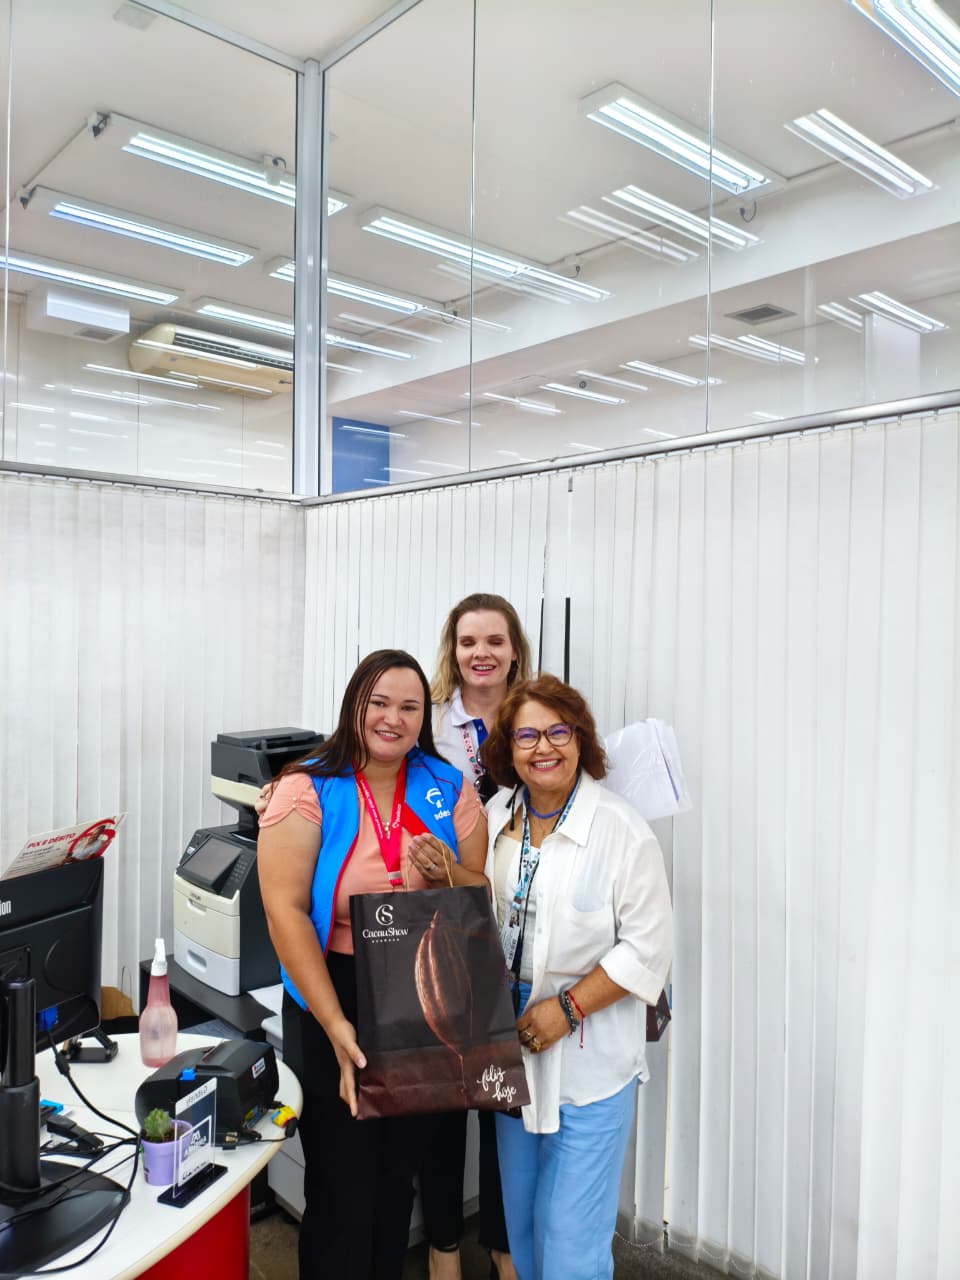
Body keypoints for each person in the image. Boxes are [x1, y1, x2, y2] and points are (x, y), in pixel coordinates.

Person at [256, 649, 488, 1280]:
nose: (393, 718)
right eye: (379, 703)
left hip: (421, 994)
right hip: (333, 992)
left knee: (396, 1177)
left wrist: (448, 871)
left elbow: (478, 894)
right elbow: (284, 912)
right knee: (341, 1183)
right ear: (353, 704)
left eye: (409, 707)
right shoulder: (306, 788)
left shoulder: (447, 786)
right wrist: (336, 1026)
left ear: (422, 720)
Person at [479, 674, 673, 1280]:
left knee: (571, 1245)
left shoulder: (621, 830)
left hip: (589, 1056)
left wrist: (566, 1010)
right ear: (508, 749)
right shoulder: (495, 816)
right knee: (523, 1228)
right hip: (509, 1050)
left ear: (580, 739)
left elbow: (648, 947)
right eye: (527, 736)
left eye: (558, 732)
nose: (544, 747)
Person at [421, 593, 532, 1280]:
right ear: (452, 650)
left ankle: (502, 1244)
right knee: (440, 1103)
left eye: (495, 640)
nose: (481, 653)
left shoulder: (535, 719)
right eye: (468, 641)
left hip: (518, 929)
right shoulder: (430, 723)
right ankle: (442, 1248)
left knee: (501, 1102)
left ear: (515, 650)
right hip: (442, 924)